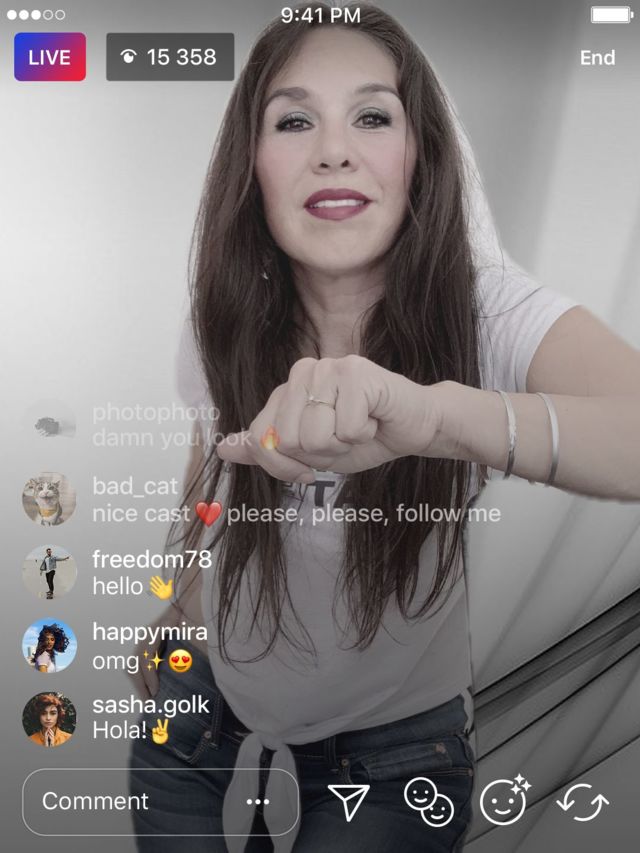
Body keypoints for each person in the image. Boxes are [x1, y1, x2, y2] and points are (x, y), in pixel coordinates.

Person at [129, 4, 640, 852]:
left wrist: (436, 417)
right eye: (294, 121)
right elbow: (208, 474)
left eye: (372, 116)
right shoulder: (223, 315)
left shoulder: (487, 309)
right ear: (252, 164)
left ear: (420, 155)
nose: (334, 150)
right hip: (194, 723)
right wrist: (172, 611)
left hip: (396, 763)